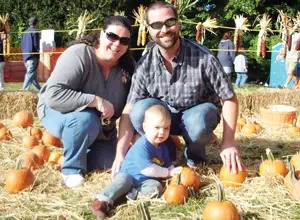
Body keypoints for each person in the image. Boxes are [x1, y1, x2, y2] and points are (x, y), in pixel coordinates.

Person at [111, 1, 244, 180]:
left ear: (178, 24)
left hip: (196, 116)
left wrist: (228, 142)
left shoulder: (203, 57)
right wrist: (120, 153)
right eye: (157, 25)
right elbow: (129, 109)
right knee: (139, 111)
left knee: (199, 120)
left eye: (170, 22)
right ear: (148, 30)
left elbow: (229, 98)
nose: (164, 29)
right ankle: (164, 152)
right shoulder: (145, 64)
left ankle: (194, 158)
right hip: (167, 119)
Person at [37, 16, 135, 188]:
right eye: (112, 36)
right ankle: (72, 170)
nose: (117, 44)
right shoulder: (79, 54)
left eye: (124, 40)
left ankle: (74, 150)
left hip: (101, 125)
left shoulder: (127, 69)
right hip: (57, 110)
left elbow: (129, 108)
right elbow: (54, 95)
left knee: (108, 160)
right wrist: (95, 101)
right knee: (85, 119)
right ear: (101, 35)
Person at [91, 105, 182, 218]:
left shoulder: (163, 146)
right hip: (129, 175)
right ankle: (102, 201)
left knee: (156, 187)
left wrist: (172, 171)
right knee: (122, 182)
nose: (161, 132)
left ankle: (129, 195)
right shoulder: (142, 146)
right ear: (145, 127)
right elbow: (148, 169)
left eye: (166, 128)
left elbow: (167, 164)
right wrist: (167, 173)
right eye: (157, 127)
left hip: (144, 182)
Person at [21, 17, 41, 91]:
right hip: (33, 56)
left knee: (33, 76)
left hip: (25, 56)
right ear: (36, 24)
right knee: (30, 74)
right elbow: (36, 45)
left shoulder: (24, 32)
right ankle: (24, 90)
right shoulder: (35, 32)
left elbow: (22, 44)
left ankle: (40, 90)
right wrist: (38, 51)